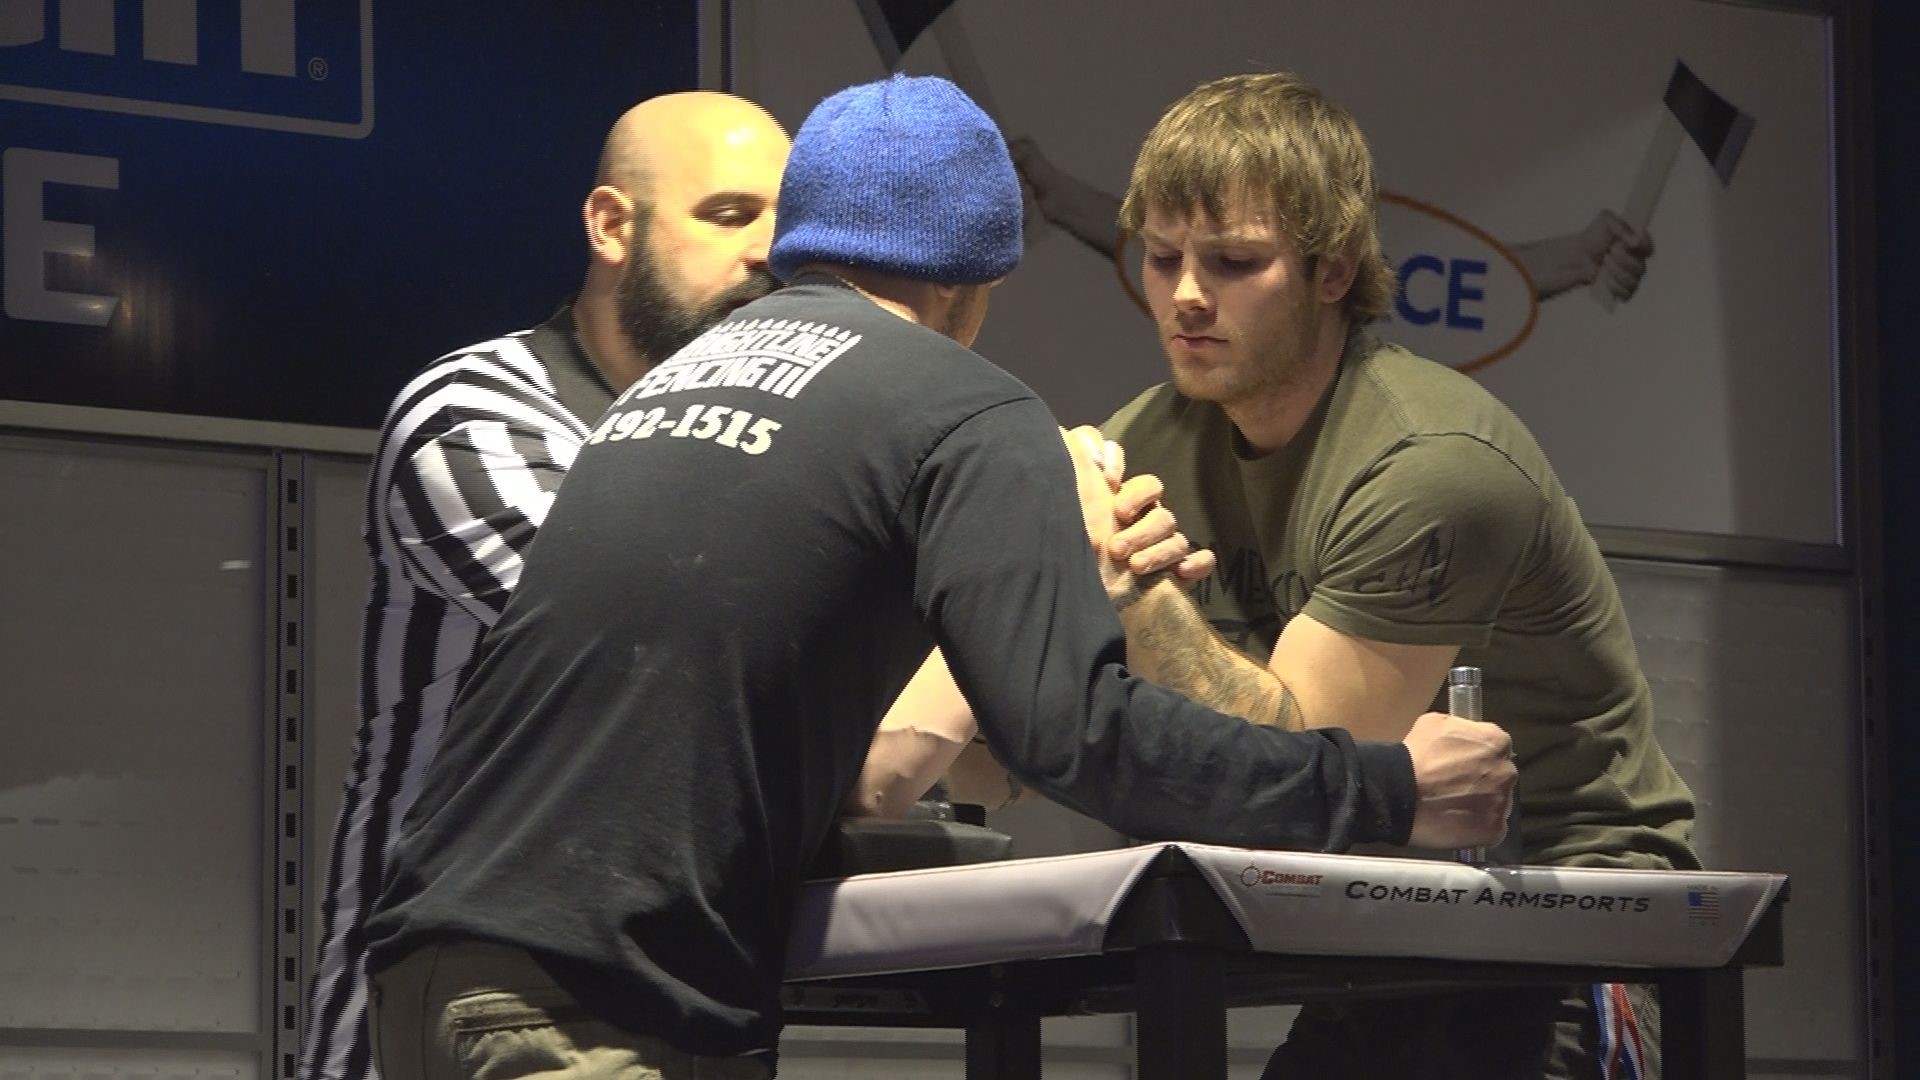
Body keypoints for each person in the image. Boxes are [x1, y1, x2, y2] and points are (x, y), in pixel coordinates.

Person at [359, 74, 1517, 1080]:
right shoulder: (965, 408)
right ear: (974, 282)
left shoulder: (661, 389)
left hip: (435, 972)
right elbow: (1080, 735)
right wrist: (1384, 790)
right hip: (584, 1006)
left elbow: (816, 733)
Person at [1093, 72, 1699, 1079]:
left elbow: (1289, 779)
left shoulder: (1434, 462)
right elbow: (968, 740)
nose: (1187, 294)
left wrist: (1131, 591)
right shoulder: (1144, 442)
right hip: (1388, 916)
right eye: (1161, 259)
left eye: (1235, 261)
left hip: (1568, 916)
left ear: (1333, 270)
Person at [299, 91, 792, 1080]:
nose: (767, 256)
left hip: (676, 1014)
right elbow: (667, 651)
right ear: (613, 225)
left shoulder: (760, 462)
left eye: (790, 224)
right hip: (443, 1033)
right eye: (730, 214)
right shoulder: (473, 417)